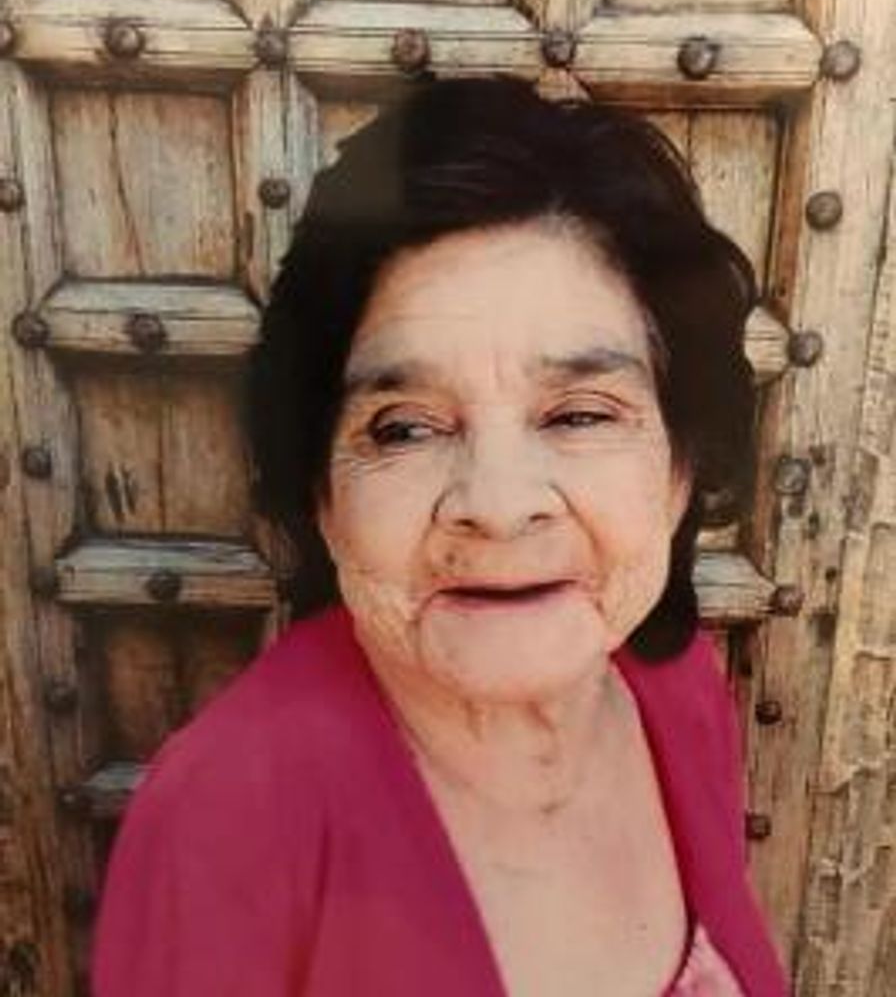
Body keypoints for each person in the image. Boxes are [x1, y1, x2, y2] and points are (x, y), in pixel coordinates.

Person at [91, 76, 789, 995]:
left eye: (580, 414)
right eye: (405, 429)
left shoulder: (676, 681)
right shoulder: (228, 813)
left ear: (681, 469)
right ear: (321, 495)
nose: (497, 504)